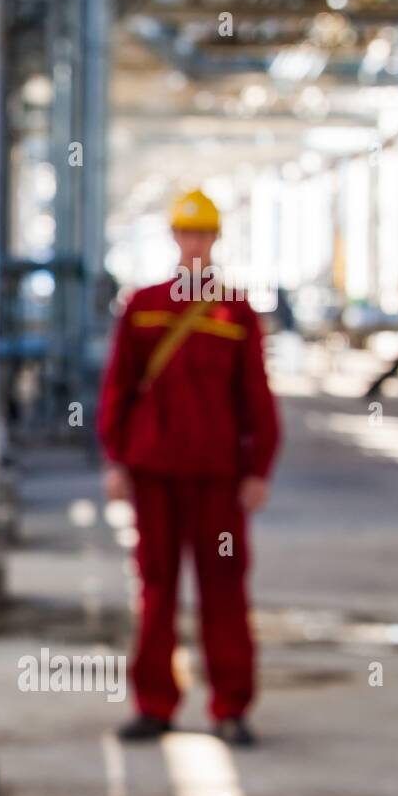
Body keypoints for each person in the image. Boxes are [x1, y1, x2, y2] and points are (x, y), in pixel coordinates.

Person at [97, 189, 281, 747]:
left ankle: (230, 708)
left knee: (223, 588)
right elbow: (118, 389)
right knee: (156, 588)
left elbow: (257, 397)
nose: (195, 243)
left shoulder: (236, 311)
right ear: (174, 237)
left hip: (218, 479)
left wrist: (259, 470)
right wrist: (115, 460)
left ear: (214, 239)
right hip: (154, 473)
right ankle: (154, 704)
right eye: (187, 233)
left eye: (204, 234)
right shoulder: (144, 305)